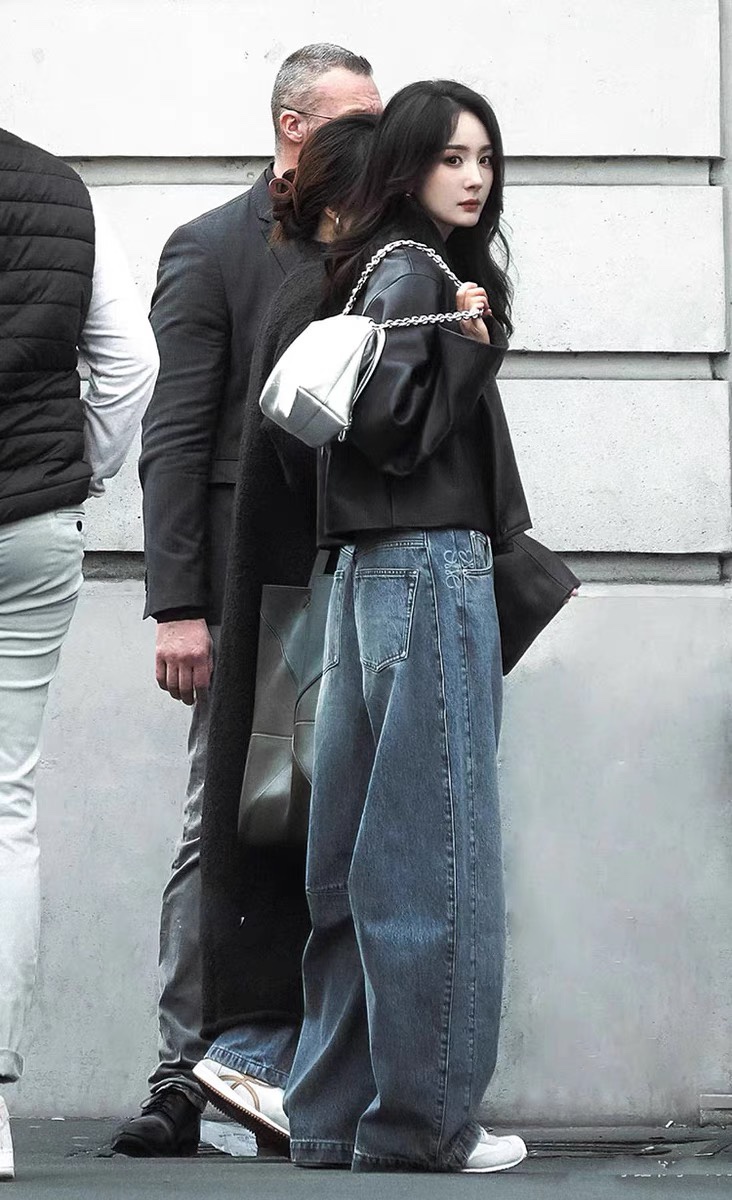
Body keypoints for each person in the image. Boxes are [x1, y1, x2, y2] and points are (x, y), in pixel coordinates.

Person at [112, 46, 381, 1157]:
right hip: (247, 590)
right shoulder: (215, 245)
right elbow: (175, 434)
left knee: (338, 829)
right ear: (291, 127)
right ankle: (186, 1070)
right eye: (354, 120)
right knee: (222, 824)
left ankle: (304, 1074)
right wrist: (179, 605)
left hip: (359, 578)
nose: (376, 140)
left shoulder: (381, 245)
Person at [277, 80, 533, 1173]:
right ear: (408, 166)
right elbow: (394, 431)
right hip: (426, 568)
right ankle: (427, 1124)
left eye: (485, 158)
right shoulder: (420, 274)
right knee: (436, 852)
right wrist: (471, 343)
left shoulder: (373, 269)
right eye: (450, 158)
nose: (474, 177)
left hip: (368, 574)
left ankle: (333, 1119)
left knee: (352, 859)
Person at [190, 112, 378, 1142]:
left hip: (288, 599)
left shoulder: (307, 285)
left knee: (286, 819)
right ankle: (258, 1060)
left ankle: (268, 1062)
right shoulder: (324, 296)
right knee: (295, 827)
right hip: (307, 601)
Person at [0, 126, 159, 1182]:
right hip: (29, 531)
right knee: (3, 805)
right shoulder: (57, 188)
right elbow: (131, 366)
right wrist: (75, 474)